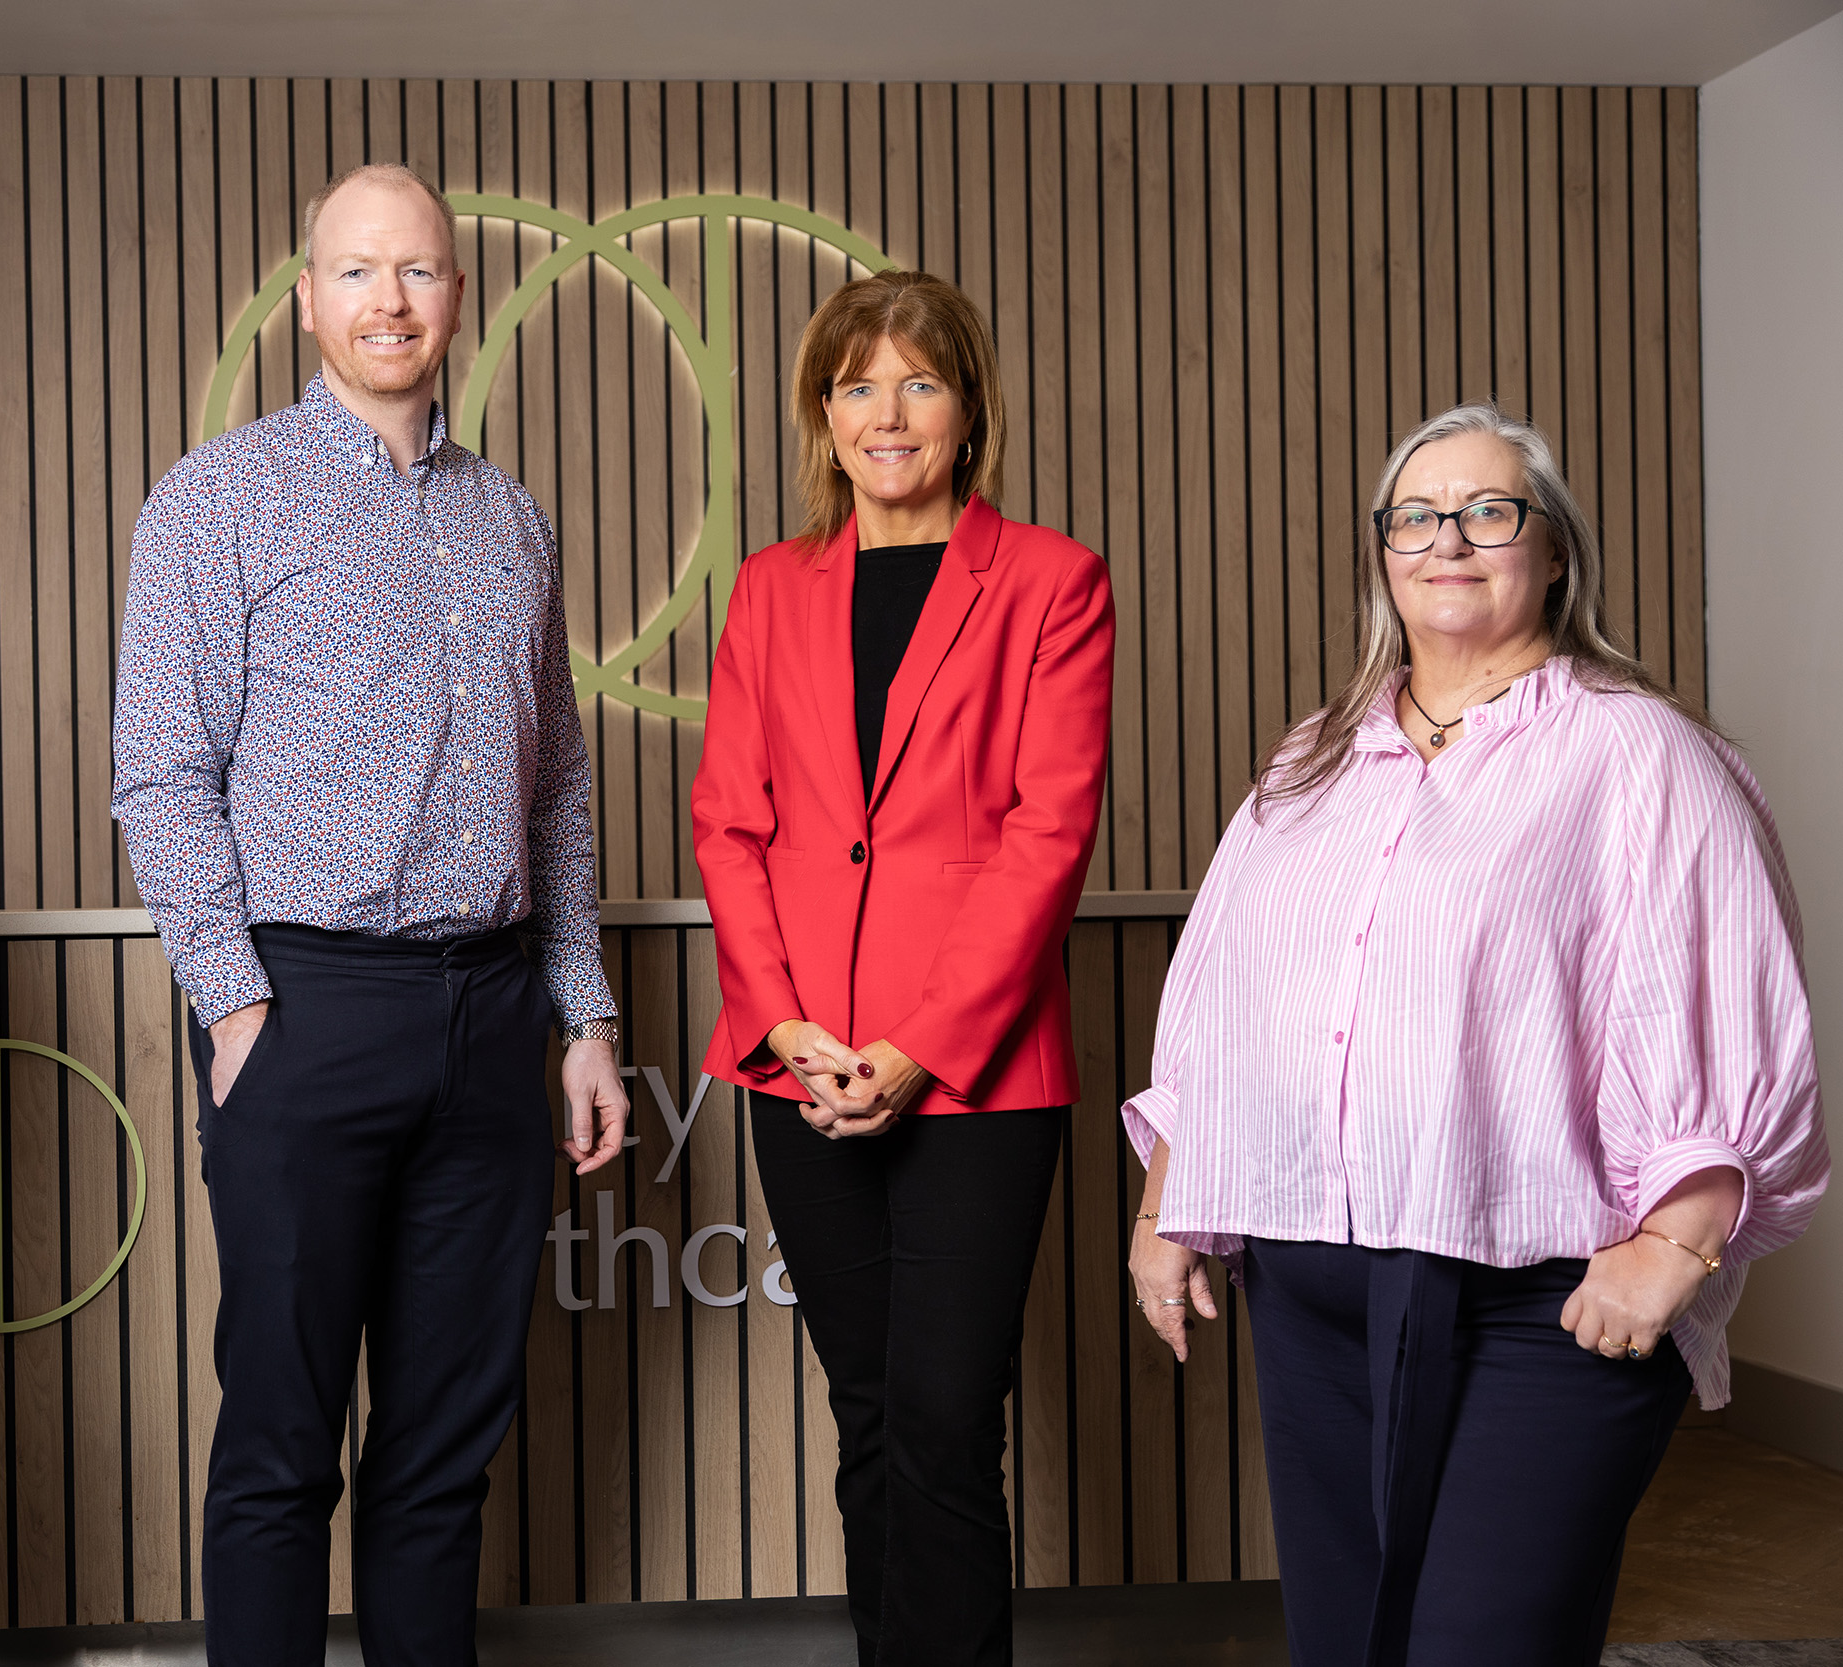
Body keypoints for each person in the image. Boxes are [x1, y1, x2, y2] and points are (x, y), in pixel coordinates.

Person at [1124, 404, 1827, 1667]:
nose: (1446, 538)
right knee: (1348, 1646)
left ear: (1552, 551)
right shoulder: (1309, 764)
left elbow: (1723, 996)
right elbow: (1221, 1001)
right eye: (1414, 515)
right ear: (1383, 554)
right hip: (1311, 1292)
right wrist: (1166, 1207)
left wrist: (1679, 1240)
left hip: (1542, 1304)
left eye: (1487, 510)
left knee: (1481, 1645)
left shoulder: (1639, 751)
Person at [111, 162, 630, 1667]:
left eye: (418, 271)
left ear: (460, 297)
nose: (390, 299)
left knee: (441, 1456)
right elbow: (159, 768)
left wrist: (582, 1012)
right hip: (307, 1009)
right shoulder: (216, 499)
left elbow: (560, 791)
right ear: (307, 298)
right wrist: (235, 994)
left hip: (491, 1024)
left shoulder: (513, 521)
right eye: (357, 271)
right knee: (280, 1443)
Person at [691, 269, 1115, 1667]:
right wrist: (788, 1023)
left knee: (941, 1419)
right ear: (823, 412)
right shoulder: (768, 585)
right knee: (866, 1411)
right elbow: (731, 821)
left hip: (977, 1079)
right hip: (800, 1060)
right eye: (857, 382)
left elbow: (1045, 836)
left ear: (968, 407)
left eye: (919, 381)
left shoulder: (1053, 581)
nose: (888, 410)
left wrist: (921, 1045)